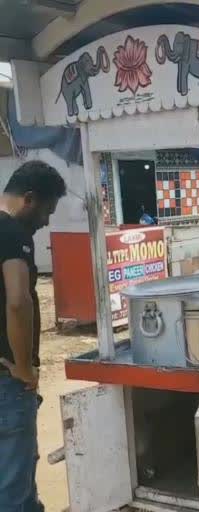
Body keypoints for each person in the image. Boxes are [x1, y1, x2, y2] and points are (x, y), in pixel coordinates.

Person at [0, 161, 66, 511]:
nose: (46, 221)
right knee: (15, 491)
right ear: (29, 199)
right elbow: (17, 301)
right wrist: (24, 367)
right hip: (7, 382)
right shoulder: (11, 233)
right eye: (47, 211)